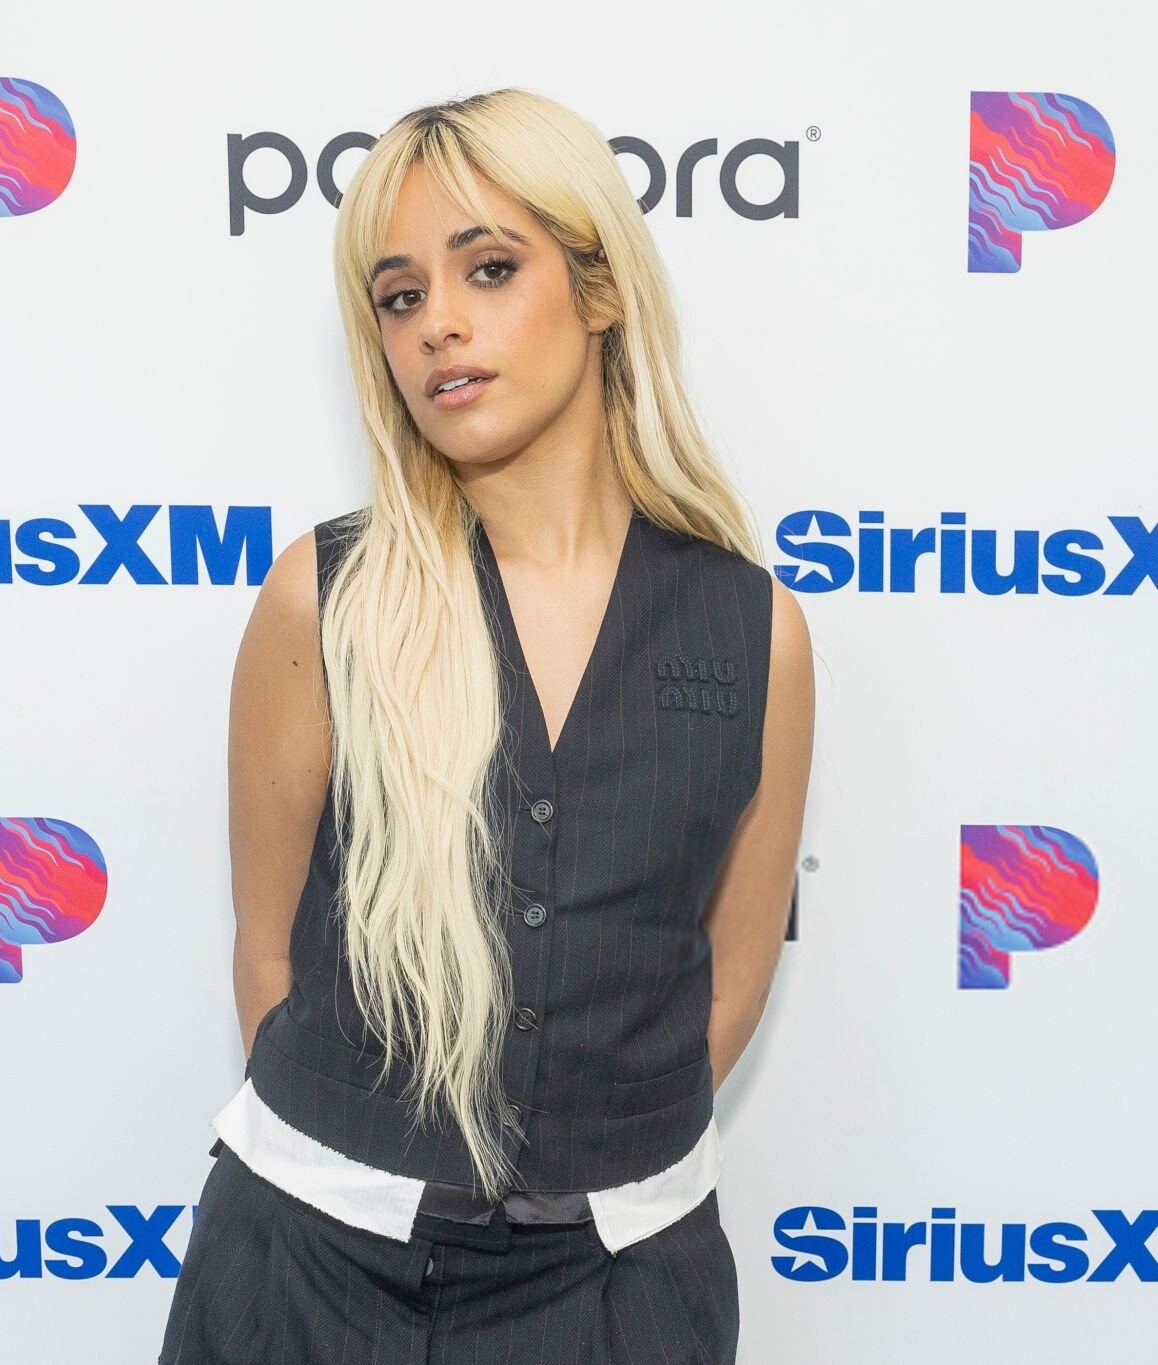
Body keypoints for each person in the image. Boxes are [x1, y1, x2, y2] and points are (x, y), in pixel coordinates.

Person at [159, 87, 814, 1365]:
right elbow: (268, 948)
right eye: (399, 296)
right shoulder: (324, 596)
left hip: (622, 1288)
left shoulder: (753, 630)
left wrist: (593, 1155)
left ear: (598, 288)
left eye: (491, 269)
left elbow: (728, 974)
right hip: (303, 1279)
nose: (438, 324)